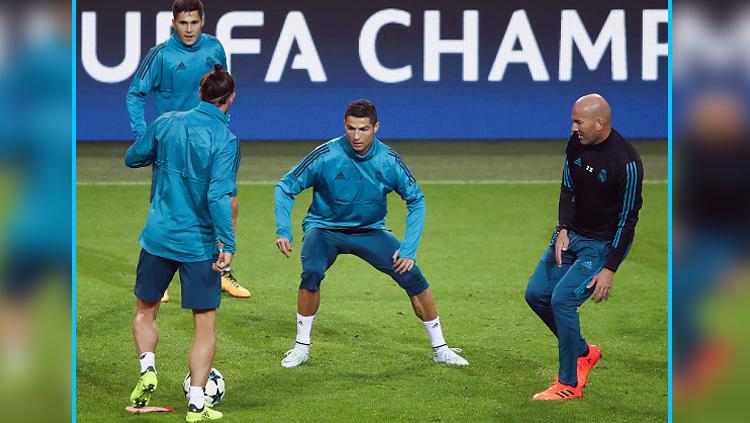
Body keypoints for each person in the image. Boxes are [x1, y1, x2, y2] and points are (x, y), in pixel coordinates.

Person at [274, 99, 469, 368]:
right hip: (325, 228)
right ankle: (301, 347)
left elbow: (417, 200)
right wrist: (284, 229)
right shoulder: (326, 155)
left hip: (369, 231)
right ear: (345, 125)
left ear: (376, 127)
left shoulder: (388, 161)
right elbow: (285, 187)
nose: (356, 136)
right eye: (351, 128)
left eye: (363, 129)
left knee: (412, 274)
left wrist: (409, 248)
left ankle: (441, 348)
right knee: (312, 272)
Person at [125, 65, 239, 422]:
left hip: (158, 237)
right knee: (204, 324)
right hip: (198, 244)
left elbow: (132, 158)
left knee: (145, 310)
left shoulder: (167, 122)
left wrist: (157, 151)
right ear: (230, 99)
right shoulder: (226, 140)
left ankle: (147, 369)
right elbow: (220, 195)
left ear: (200, 93)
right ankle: (196, 403)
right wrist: (228, 242)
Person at [126, 0, 250, 301]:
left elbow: (224, 88)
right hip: (173, 143)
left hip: (209, 143)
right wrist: (145, 137)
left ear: (203, 21)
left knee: (228, 203)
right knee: (166, 202)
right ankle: (162, 275)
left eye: (194, 22)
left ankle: (222, 271)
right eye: (183, 23)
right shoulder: (160, 55)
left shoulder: (214, 49)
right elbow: (135, 93)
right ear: (174, 22)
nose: (189, 29)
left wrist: (222, 126)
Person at [524, 94, 644, 400]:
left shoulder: (626, 163)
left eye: (578, 121)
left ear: (599, 123)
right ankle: (583, 351)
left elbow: (628, 220)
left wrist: (609, 269)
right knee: (536, 294)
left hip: (601, 246)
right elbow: (568, 187)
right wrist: (562, 228)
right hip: (571, 235)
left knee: (562, 299)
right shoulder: (575, 143)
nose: (573, 126)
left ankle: (568, 384)